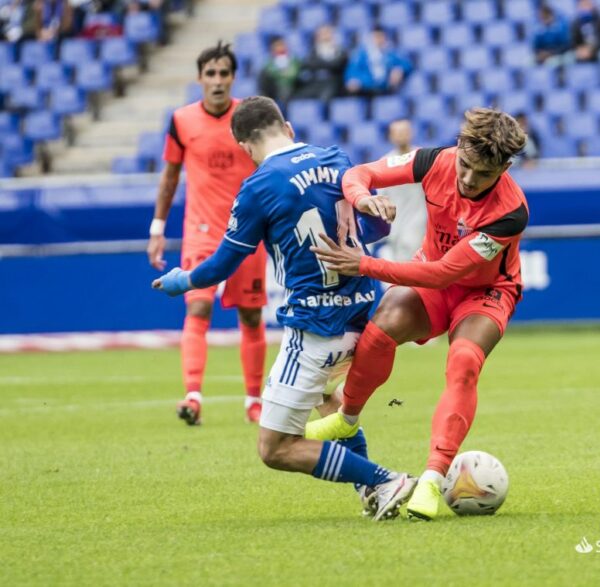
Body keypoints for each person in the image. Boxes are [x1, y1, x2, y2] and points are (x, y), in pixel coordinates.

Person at [152, 96, 417, 521]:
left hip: (316, 330)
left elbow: (222, 263)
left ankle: (385, 479)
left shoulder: (258, 186)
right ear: (288, 128)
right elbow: (372, 227)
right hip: (366, 314)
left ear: (244, 147)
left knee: (274, 448)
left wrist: (183, 279)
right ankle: (371, 486)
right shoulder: (336, 157)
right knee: (327, 400)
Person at [306, 108, 529, 522]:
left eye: (482, 173)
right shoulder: (433, 160)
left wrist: (365, 265)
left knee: (463, 363)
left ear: (505, 167)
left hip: (484, 293)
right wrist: (363, 199)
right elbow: (357, 174)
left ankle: (431, 478)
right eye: (465, 164)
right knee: (384, 321)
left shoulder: (510, 212)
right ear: (458, 148)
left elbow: (445, 273)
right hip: (432, 279)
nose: (467, 179)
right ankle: (346, 416)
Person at [147, 43, 268, 426]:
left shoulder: (250, 117)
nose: (217, 81)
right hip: (201, 232)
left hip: (247, 231)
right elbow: (169, 177)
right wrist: (157, 229)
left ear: (233, 77)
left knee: (250, 315)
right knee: (197, 306)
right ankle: (193, 396)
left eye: (223, 73)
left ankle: (254, 401)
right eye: (210, 74)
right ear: (199, 78)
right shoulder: (181, 121)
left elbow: (273, 165)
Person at [377, 120, 426, 262]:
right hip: (395, 228)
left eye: (404, 131)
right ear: (391, 136)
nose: (401, 136)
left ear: (411, 133)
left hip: (419, 225)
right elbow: (380, 197)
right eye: (397, 133)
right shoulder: (384, 162)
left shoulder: (423, 158)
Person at [344, 26, 412, 97]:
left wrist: (399, 69)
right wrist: (357, 80)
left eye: (381, 37)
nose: (379, 40)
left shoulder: (391, 52)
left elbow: (407, 64)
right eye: (376, 37)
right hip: (366, 90)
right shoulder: (361, 54)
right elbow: (352, 72)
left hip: (388, 89)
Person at [294, 25, 347, 102]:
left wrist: (319, 62)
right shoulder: (313, 50)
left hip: (332, 82)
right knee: (298, 99)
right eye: (321, 34)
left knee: (324, 98)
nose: (324, 36)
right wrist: (327, 63)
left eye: (326, 33)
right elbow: (308, 64)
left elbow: (337, 64)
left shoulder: (339, 50)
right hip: (315, 82)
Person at [257, 36, 301, 108]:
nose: (280, 48)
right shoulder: (270, 61)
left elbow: (292, 75)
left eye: (281, 45)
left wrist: (280, 74)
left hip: (291, 87)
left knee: (284, 90)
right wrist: (282, 74)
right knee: (263, 76)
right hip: (273, 87)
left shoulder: (293, 59)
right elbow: (270, 72)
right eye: (277, 46)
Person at [570, 0, 600, 64]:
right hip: (582, 51)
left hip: (598, 50)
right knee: (568, 57)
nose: (584, 8)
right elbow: (572, 41)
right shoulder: (575, 23)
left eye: (586, 4)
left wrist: (591, 50)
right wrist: (579, 49)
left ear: (592, 5)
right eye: (582, 5)